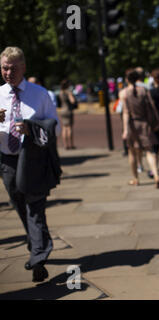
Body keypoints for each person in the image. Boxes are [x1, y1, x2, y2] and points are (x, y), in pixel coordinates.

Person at [0, 46, 60, 282]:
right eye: (4, 68)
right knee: (19, 204)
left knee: (34, 206)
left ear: (23, 68)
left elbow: (54, 126)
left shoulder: (40, 94)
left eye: (13, 68)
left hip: (33, 158)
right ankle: (38, 242)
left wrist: (31, 128)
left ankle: (39, 257)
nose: (8, 72)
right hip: (7, 159)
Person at [121, 69, 159, 188]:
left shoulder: (124, 93)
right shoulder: (144, 90)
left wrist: (125, 130)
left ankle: (135, 178)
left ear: (127, 79)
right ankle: (156, 175)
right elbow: (152, 106)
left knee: (133, 153)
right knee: (150, 151)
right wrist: (157, 121)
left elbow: (125, 113)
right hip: (145, 123)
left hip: (132, 125)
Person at [58, 79, 77, 150]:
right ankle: (71, 144)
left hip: (62, 110)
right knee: (69, 128)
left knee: (64, 128)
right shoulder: (68, 92)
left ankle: (65, 145)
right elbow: (72, 101)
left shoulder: (60, 92)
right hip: (68, 110)